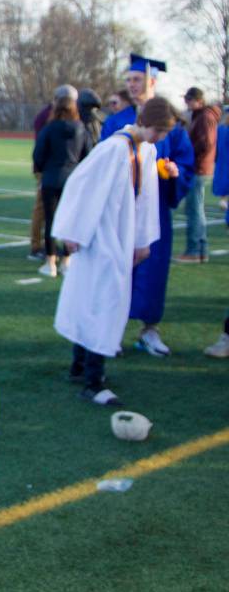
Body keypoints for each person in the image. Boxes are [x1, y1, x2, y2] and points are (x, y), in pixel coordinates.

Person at [52, 97, 175, 406]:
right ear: (147, 123)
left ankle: (80, 367)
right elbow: (82, 187)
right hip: (99, 236)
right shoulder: (113, 149)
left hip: (119, 236)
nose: (161, 137)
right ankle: (92, 381)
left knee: (94, 300)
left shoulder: (145, 151)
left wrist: (143, 241)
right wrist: (73, 232)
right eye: (159, 130)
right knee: (102, 302)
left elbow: (145, 198)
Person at [100, 54, 195, 357]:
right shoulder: (117, 122)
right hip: (120, 212)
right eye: (128, 80)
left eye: (137, 79)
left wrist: (176, 171)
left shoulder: (172, 124)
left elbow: (185, 161)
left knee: (152, 272)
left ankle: (148, 331)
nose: (132, 85)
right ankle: (109, 333)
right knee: (116, 271)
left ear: (152, 81)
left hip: (154, 214)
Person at [32, 95, 87, 277]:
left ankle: (50, 262)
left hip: (51, 179)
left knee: (50, 220)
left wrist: (42, 170)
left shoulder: (49, 129)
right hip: (73, 180)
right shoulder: (81, 129)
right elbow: (87, 155)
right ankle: (67, 261)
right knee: (70, 220)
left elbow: (38, 154)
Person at [29, 84, 78, 261]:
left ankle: (50, 253)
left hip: (50, 173)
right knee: (47, 211)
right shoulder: (73, 125)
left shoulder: (50, 122)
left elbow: (39, 152)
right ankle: (41, 247)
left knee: (49, 214)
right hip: (66, 174)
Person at [177, 86, 220, 262]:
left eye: (189, 99)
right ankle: (200, 251)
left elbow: (206, 143)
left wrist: (188, 154)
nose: (186, 102)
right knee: (195, 209)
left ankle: (195, 251)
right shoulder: (202, 116)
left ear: (199, 101)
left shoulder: (205, 117)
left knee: (195, 210)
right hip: (199, 167)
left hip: (199, 168)